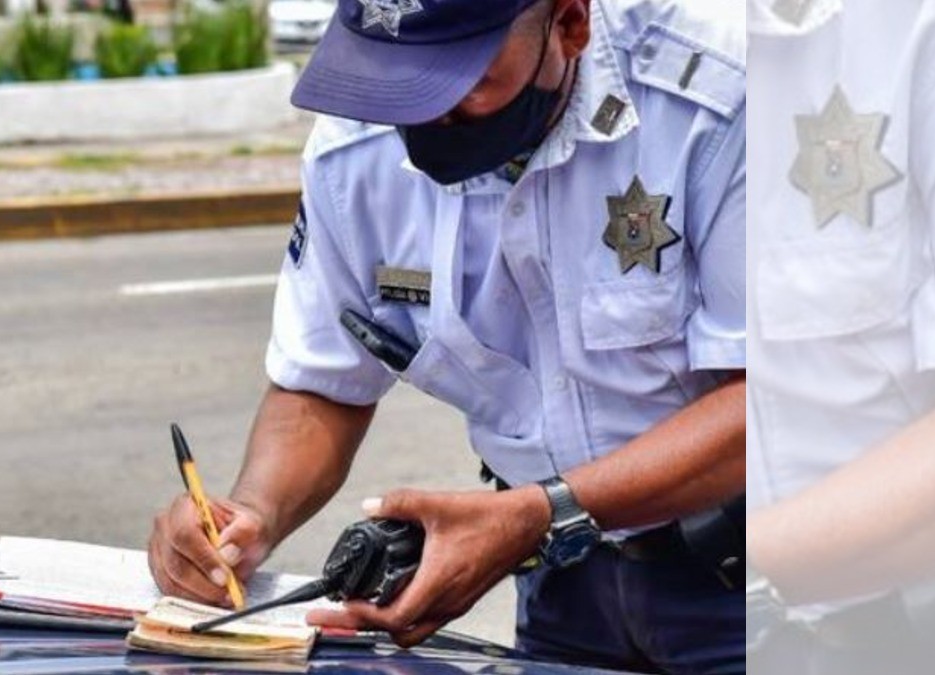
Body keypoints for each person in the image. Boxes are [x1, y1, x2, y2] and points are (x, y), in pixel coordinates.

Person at [149, 1, 746, 672]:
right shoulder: (355, 148)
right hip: (561, 584)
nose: (422, 111)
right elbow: (323, 382)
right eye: (395, 77)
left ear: (569, 23)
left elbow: (769, 401)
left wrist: (538, 512)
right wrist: (248, 515)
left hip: (757, 582)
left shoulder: (718, 102)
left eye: (455, 79)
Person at [745, 0, 935, 672]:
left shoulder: (913, 29)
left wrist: (749, 569)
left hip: (895, 623)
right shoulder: (608, 39)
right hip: (641, 614)